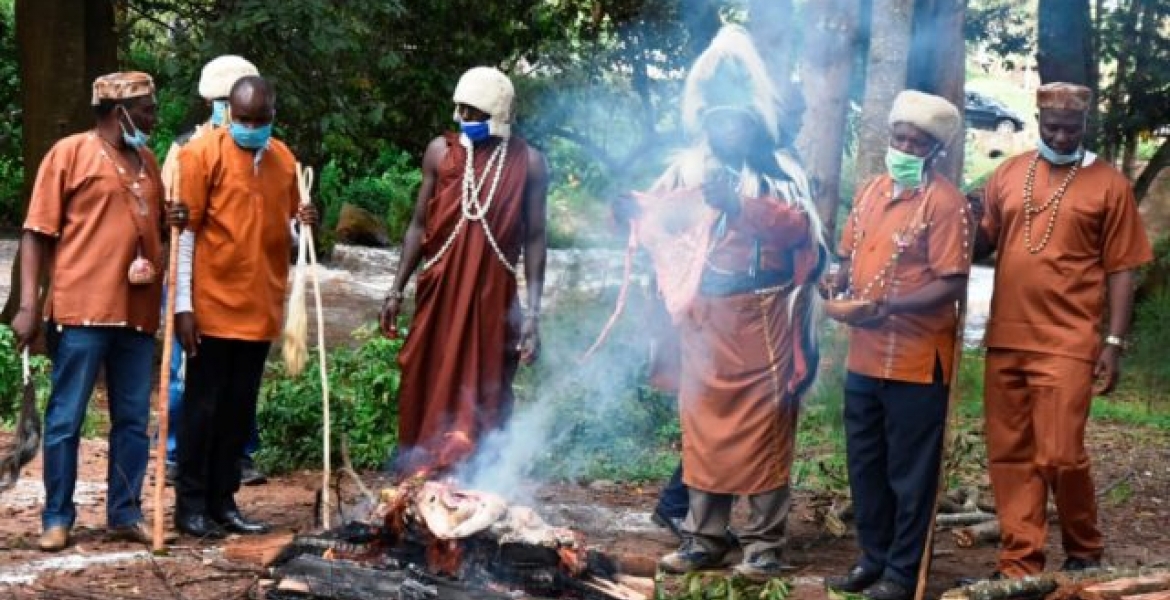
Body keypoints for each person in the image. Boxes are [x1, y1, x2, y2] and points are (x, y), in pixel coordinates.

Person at [635, 25, 826, 582]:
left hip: (764, 320)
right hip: (703, 321)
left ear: (755, 123)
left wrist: (739, 205)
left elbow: (800, 233)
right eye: (717, 121)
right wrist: (633, 213)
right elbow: (659, 221)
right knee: (702, 433)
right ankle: (705, 538)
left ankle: (764, 546)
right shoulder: (686, 169)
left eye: (737, 121)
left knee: (765, 431)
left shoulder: (780, 173)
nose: (727, 130)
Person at [972, 82, 1152, 579]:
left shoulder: (1109, 184)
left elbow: (1122, 268)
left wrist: (1113, 343)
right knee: (1010, 454)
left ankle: (1084, 549)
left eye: (1071, 129)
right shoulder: (1009, 173)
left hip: (1069, 341)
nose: (1061, 137)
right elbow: (981, 239)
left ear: (1084, 125)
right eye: (1052, 128)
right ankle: (1020, 561)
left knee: (1061, 454)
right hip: (1006, 337)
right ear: (1038, 121)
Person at [12, 72, 187, 551]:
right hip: (82, 311)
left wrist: (173, 219)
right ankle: (57, 518)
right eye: (147, 110)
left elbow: (154, 225)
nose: (154, 118)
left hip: (137, 314)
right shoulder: (69, 153)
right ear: (119, 112)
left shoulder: (148, 161)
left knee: (132, 419)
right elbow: (35, 233)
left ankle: (125, 513)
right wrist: (28, 304)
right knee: (66, 418)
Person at [822, 90, 970, 600]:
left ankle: (902, 575)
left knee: (909, 475)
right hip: (864, 356)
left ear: (936, 150)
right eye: (899, 138)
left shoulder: (946, 203)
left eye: (917, 142)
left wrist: (891, 307)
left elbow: (953, 283)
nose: (904, 148)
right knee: (865, 466)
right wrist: (835, 281)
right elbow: (846, 258)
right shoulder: (869, 192)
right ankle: (873, 559)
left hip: (917, 362)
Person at [379, 67, 549, 477]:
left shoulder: (529, 163)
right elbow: (418, 225)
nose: (461, 118)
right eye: (459, 109)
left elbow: (535, 238)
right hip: (439, 290)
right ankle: (421, 471)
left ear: (498, 115)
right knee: (426, 371)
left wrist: (533, 313)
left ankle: (478, 478)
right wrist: (395, 290)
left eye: (473, 112)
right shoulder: (440, 152)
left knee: (487, 381)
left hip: (493, 297)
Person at [173, 76, 316, 538]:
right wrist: (182, 306)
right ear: (229, 114)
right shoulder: (200, 154)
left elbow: (286, 233)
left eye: (260, 120)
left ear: (273, 116)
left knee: (238, 412)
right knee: (202, 409)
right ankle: (190, 505)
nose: (251, 128)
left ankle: (224, 501)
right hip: (211, 306)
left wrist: (304, 223)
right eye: (243, 119)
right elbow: (186, 233)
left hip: (261, 306)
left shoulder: (285, 160)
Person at [159, 55, 267, 488]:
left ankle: (237, 453)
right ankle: (176, 453)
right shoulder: (188, 148)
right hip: (194, 279)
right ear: (214, 104)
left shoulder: (265, 153)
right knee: (184, 374)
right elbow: (175, 220)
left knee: (240, 380)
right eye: (223, 102)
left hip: (243, 283)